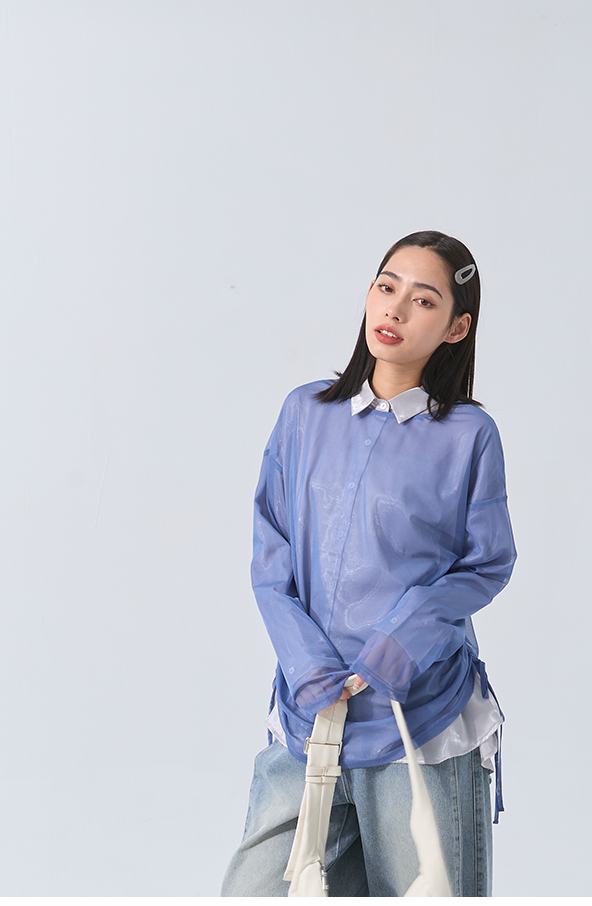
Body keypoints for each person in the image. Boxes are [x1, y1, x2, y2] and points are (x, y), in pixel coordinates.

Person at [221, 230, 517, 897]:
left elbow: (486, 563)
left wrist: (400, 643)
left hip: (421, 722)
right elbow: (272, 552)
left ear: (457, 328)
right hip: (310, 720)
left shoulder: (468, 436)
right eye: (387, 287)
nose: (396, 309)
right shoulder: (306, 413)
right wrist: (305, 663)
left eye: (424, 300)